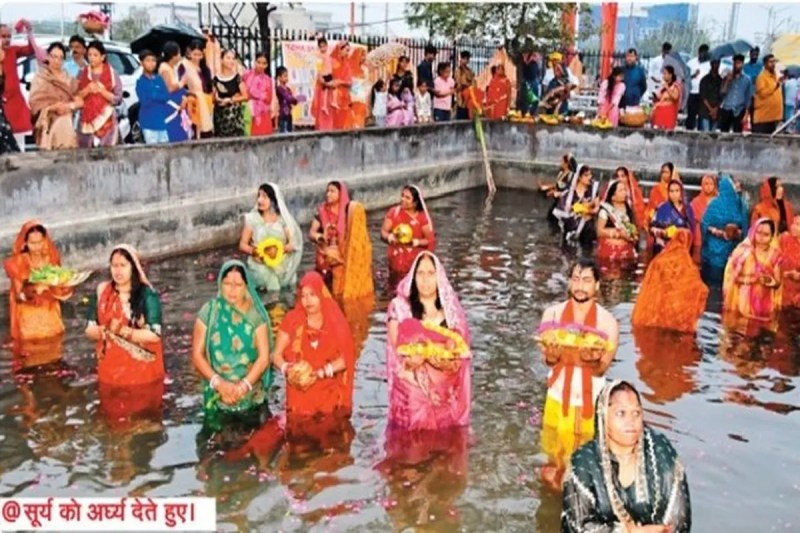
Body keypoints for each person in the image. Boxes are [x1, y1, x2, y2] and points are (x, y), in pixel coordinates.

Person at [562, 380, 691, 532]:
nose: (631, 421)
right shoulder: (584, 461)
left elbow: (679, 523)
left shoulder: (662, 453)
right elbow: (576, 527)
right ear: (602, 416)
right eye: (621, 413)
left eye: (636, 413)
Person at [537, 259, 619, 489]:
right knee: (552, 465)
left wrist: (592, 360)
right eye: (575, 279)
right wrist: (553, 355)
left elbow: (602, 368)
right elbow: (548, 360)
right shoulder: (552, 315)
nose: (580, 286)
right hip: (556, 397)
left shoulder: (607, 322)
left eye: (586, 281)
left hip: (589, 400)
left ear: (597, 285)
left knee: (584, 466)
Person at [386, 252, 472, 430]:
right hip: (411, 395)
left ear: (439, 276)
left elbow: (461, 358)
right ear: (413, 277)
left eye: (431, 273)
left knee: (446, 451)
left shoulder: (451, 313)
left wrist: (444, 363)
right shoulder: (400, 309)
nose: (425, 280)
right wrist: (412, 363)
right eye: (421, 273)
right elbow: (397, 353)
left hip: (445, 396)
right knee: (411, 451)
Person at [191, 260, 273, 431]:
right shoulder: (209, 311)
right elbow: (197, 355)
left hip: (250, 397)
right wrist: (219, 384)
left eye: (238, 284)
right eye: (227, 283)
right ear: (220, 283)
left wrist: (243, 387)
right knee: (215, 453)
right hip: (217, 397)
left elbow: (264, 358)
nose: (232, 289)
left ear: (247, 286)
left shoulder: (256, 317)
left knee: (253, 450)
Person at [271, 271, 356, 418]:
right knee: (298, 437)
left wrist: (321, 372)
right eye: (303, 296)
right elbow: (275, 355)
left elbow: (346, 358)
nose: (307, 300)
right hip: (298, 394)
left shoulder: (335, 322)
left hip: (328, 396)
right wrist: (287, 369)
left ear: (321, 295)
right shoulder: (291, 320)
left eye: (312, 294)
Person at [85, 245, 164, 388]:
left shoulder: (147, 295)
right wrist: (102, 331)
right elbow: (89, 330)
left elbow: (155, 335)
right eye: (114, 265)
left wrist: (123, 331)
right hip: (110, 374)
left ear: (133, 267)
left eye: (123, 265)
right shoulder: (102, 292)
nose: (118, 270)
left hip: (142, 374)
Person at [4, 221, 72, 342]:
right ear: (25, 243)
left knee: (55, 350)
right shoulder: (18, 263)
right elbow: (19, 296)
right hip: (29, 322)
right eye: (33, 243)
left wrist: (65, 287)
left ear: (45, 240)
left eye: (40, 242)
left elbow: (61, 286)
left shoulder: (51, 259)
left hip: (51, 318)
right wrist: (36, 288)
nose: (37, 247)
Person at [632, 229, 708, 333]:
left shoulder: (659, 260)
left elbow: (651, 281)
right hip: (675, 310)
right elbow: (697, 286)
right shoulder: (688, 265)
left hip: (657, 307)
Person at [308, 181, 374, 301]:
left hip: (343, 257)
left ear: (341, 193)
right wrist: (319, 236)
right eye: (327, 191)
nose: (328, 194)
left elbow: (356, 235)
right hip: (325, 257)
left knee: (341, 291)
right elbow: (311, 233)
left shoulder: (349, 212)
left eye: (332, 191)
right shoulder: (322, 211)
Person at [238, 183, 302, 303]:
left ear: (273, 200)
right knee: (272, 287)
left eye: (264, 196)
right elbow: (242, 244)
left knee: (290, 287)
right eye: (259, 196)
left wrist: (282, 249)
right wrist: (253, 251)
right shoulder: (252, 219)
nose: (260, 200)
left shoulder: (282, 220)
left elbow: (293, 243)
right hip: (260, 264)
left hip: (282, 263)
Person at [723, 218, 783, 325]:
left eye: (766, 234)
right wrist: (752, 280)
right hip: (744, 303)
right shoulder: (743, 252)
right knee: (742, 334)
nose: (761, 237)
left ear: (772, 236)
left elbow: (778, 283)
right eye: (758, 233)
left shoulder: (775, 255)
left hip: (766, 304)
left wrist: (772, 282)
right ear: (753, 232)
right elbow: (733, 278)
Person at [29, 42, 78, 150]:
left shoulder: (69, 79)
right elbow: (34, 102)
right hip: (47, 120)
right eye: (54, 57)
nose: (57, 61)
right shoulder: (40, 77)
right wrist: (52, 107)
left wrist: (68, 106)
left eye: (60, 58)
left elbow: (79, 99)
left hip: (66, 119)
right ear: (47, 56)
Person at [381, 185, 436, 281]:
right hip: (395, 261)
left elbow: (429, 240)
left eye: (407, 198)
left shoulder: (422, 218)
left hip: (414, 264)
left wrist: (413, 242)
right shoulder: (394, 212)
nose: (403, 199)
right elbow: (383, 232)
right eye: (402, 195)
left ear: (415, 202)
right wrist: (389, 237)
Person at [701, 174, 749, 281]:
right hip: (715, 250)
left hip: (733, 249)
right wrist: (717, 232)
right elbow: (705, 224)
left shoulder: (740, 204)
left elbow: (745, 226)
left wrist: (736, 233)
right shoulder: (714, 205)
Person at [75, 40, 122, 148]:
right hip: (86, 121)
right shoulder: (82, 73)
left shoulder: (112, 73)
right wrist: (87, 90)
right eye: (90, 54)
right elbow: (76, 96)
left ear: (102, 57)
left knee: (108, 154)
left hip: (107, 120)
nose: (92, 57)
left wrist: (102, 91)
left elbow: (118, 98)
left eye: (95, 55)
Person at [1, 21, 35, 145]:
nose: (7, 40)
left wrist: (29, 32)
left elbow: (31, 50)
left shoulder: (12, 51)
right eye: (3, 36)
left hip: (16, 105)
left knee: (21, 146)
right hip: (3, 107)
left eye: (9, 36)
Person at [553, 164, 599, 249]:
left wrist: (585, 210)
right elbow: (565, 211)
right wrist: (581, 208)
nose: (590, 177)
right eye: (586, 175)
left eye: (590, 174)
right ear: (579, 177)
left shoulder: (593, 191)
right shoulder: (569, 194)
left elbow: (597, 208)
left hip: (587, 228)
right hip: (571, 228)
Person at [135, 49, 173, 145]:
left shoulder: (159, 79)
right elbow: (145, 101)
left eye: (153, 60)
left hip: (161, 121)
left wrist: (154, 95)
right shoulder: (140, 82)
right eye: (148, 60)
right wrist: (156, 95)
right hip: (148, 123)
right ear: (141, 63)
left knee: (165, 150)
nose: (151, 63)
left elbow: (166, 96)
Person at [650, 179, 695, 256]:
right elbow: (651, 227)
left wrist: (679, 233)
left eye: (677, 191)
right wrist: (662, 232)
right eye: (671, 191)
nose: (674, 194)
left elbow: (691, 231)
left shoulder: (687, 209)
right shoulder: (661, 208)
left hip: (681, 250)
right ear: (668, 192)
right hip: (663, 249)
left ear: (681, 192)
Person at [596, 180, 638, 264]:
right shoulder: (606, 211)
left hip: (626, 252)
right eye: (621, 190)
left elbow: (634, 230)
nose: (624, 193)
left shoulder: (629, 210)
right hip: (609, 252)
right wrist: (619, 234)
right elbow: (599, 231)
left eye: (625, 190)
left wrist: (633, 235)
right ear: (613, 197)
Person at [179, 40, 214, 139]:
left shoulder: (205, 69)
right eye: (195, 54)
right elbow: (181, 85)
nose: (197, 57)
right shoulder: (184, 66)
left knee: (206, 133)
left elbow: (209, 87)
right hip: (192, 104)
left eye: (199, 54)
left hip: (206, 104)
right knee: (195, 132)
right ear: (190, 53)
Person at [158, 41, 190, 143]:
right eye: (179, 53)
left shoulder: (172, 67)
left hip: (178, 105)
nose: (180, 56)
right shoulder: (165, 68)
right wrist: (182, 82)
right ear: (173, 55)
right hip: (170, 107)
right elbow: (170, 88)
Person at [213, 49, 248, 138]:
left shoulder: (237, 78)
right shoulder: (216, 79)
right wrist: (217, 99)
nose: (231, 61)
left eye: (233, 58)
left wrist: (231, 100)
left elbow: (246, 96)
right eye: (228, 58)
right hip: (221, 118)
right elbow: (213, 98)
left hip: (235, 119)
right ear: (221, 60)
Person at [719, 54, 754, 133]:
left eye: (739, 63)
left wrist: (746, 114)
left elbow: (748, 98)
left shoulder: (747, 79)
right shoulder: (727, 76)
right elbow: (722, 93)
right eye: (735, 63)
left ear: (742, 64)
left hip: (739, 109)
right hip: (726, 108)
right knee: (724, 133)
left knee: (737, 134)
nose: (737, 65)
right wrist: (727, 81)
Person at [243, 51, 273, 136]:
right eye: (258, 62)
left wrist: (257, 96)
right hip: (248, 111)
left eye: (264, 63)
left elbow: (269, 99)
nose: (261, 65)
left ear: (267, 65)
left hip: (263, 113)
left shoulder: (268, 80)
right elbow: (243, 91)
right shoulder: (246, 75)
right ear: (254, 62)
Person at [690, 174, 719, 264]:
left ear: (715, 185)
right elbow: (691, 218)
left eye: (711, 184)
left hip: (715, 234)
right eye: (706, 184)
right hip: (699, 234)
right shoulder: (695, 201)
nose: (708, 187)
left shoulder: (719, 201)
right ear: (702, 185)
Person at [752, 54, 784, 135]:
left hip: (774, 117)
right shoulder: (761, 77)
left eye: (774, 62)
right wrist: (775, 85)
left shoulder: (775, 76)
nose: (773, 64)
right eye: (771, 62)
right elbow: (763, 93)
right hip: (763, 118)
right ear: (765, 64)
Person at [611, 166, 646, 231]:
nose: (619, 179)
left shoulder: (634, 193)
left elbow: (639, 210)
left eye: (622, 176)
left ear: (628, 177)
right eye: (617, 176)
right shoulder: (612, 191)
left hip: (632, 223)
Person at [685, 44, 711, 131]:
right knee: (691, 116)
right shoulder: (691, 63)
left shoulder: (709, 64)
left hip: (704, 95)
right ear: (699, 53)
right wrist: (693, 75)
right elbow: (684, 78)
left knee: (702, 117)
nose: (704, 56)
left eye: (706, 54)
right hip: (692, 93)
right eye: (702, 53)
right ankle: (689, 132)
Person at [330, 41, 353, 131]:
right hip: (332, 97)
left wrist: (340, 82)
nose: (348, 53)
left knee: (344, 124)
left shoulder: (347, 64)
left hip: (344, 97)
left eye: (349, 51)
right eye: (347, 50)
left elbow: (350, 82)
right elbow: (327, 79)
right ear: (340, 50)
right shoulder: (331, 62)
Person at [779, 213, 800, 308]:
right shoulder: (784, 238)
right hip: (780, 291)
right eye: (793, 223)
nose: (793, 226)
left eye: (798, 224)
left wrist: (798, 276)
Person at [651, 65, 681, 130]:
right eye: (663, 74)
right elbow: (660, 98)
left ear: (670, 75)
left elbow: (675, 97)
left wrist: (667, 87)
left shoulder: (675, 86)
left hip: (668, 113)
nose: (663, 76)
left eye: (665, 74)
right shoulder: (663, 86)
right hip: (659, 113)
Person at [698, 58, 722, 132]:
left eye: (718, 64)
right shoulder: (705, 79)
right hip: (705, 111)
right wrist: (711, 110)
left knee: (713, 134)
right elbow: (703, 97)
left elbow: (721, 97)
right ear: (711, 64)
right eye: (715, 64)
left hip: (716, 111)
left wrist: (716, 109)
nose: (716, 66)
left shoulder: (720, 80)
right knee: (705, 133)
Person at [275, 66, 300, 133]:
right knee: (283, 133)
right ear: (279, 78)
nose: (287, 78)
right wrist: (295, 99)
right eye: (285, 76)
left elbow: (293, 101)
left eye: (287, 76)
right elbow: (287, 97)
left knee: (289, 131)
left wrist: (296, 100)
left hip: (289, 114)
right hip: (282, 114)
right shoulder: (279, 88)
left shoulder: (288, 89)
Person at [349, 47, 369, 129]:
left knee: (360, 123)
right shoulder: (349, 68)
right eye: (362, 55)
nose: (363, 58)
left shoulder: (365, 70)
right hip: (351, 99)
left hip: (362, 98)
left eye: (364, 56)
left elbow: (366, 84)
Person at [454, 51, 475, 120]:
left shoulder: (469, 71)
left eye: (467, 59)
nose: (465, 61)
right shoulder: (458, 71)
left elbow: (471, 81)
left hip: (469, 97)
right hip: (461, 98)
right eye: (464, 59)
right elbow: (458, 83)